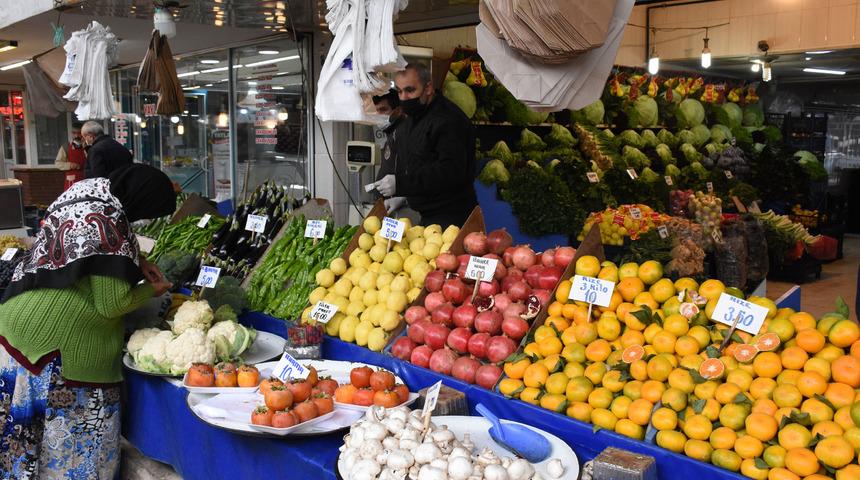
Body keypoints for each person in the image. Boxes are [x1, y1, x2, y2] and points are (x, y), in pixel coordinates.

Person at [0, 164, 175, 479]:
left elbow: (81, 254)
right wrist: (152, 289)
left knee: (24, 446)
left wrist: (137, 262)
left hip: (16, 328)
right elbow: (112, 304)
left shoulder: (85, 197)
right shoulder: (111, 224)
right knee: (71, 457)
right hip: (58, 353)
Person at [374, 63, 477, 228]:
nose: (404, 98)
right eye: (400, 91)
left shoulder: (448, 120)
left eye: (410, 90)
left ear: (428, 88)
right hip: (428, 216)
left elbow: (450, 171)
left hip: (453, 218)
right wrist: (406, 197)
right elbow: (423, 163)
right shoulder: (415, 117)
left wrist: (401, 184)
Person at [371, 88, 404, 191]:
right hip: (387, 201)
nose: (378, 115)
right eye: (376, 111)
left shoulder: (403, 134)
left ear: (398, 111)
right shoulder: (390, 133)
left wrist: (404, 198)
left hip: (399, 201)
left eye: (383, 109)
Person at [63, 124, 87, 190]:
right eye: (74, 133)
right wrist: (70, 165)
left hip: (86, 177)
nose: (76, 135)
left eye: (79, 133)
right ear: (71, 134)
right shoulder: (66, 147)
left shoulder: (88, 146)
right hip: (72, 180)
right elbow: (58, 163)